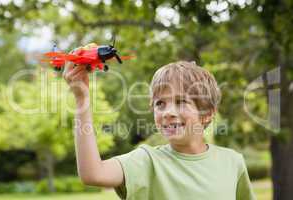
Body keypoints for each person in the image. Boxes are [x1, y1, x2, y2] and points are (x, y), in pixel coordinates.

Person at [63, 59, 256, 200]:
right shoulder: (146, 161)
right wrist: (82, 99)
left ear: (207, 113)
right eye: (160, 103)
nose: (168, 112)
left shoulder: (233, 162)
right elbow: (92, 174)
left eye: (181, 102)